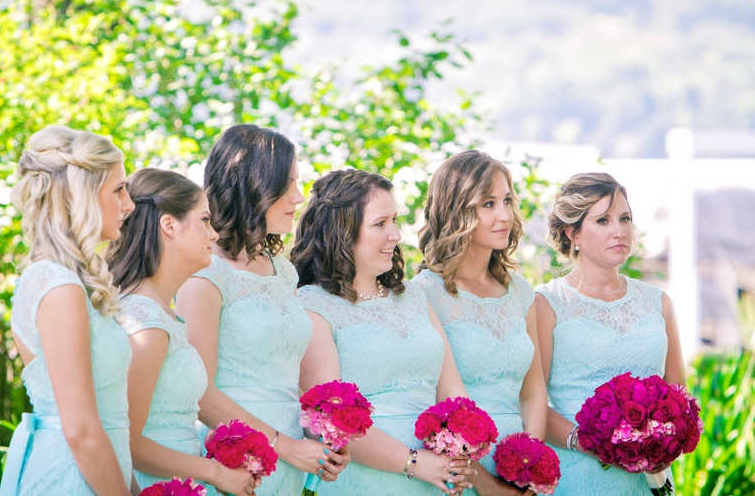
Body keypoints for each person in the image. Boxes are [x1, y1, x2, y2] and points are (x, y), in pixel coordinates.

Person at [175, 125, 348, 495]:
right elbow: (198, 393)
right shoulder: (205, 274)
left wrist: (321, 436)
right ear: (252, 185)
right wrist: (285, 447)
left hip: (291, 457)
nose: (298, 197)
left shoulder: (282, 270)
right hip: (236, 458)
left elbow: (287, 369)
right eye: (287, 184)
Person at [291, 169, 476, 496]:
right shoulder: (312, 305)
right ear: (341, 231)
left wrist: (460, 449)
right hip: (364, 480)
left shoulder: (414, 296)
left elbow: (451, 388)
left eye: (395, 221)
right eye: (380, 224)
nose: (395, 234)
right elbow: (331, 420)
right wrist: (413, 462)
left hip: (435, 479)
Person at [0, 125, 135, 495]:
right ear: (81, 196)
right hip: (72, 478)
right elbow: (81, 431)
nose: (128, 204)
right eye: (118, 190)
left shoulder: (63, 281)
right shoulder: (59, 288)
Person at [107, 168, 257, 495]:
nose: (214, 235)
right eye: (204, 220)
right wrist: (217, 473)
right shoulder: (146, 324)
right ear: (169, 225)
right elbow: (123, 441)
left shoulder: (162, 314)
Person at [535, 172, 686, 495]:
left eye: (625, 219)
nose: (619, 231)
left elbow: (679, 397)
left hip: (648, 480)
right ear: (572, 232)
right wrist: (591, 444)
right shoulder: (546, 304)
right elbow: (531, 403)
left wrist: (663, 445)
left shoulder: (658, 302)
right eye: (603, 221)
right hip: (578, 477)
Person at [413, 150, 547, 496]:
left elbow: (533, 392)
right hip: (456, 474)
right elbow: (429, 400)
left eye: (507, 201)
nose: (504, 215)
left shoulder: (521, 292)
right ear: (456, 209)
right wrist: (484, 483)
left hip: (516, 475)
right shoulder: (423, 293)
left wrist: (529, 470)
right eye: (488, 204)